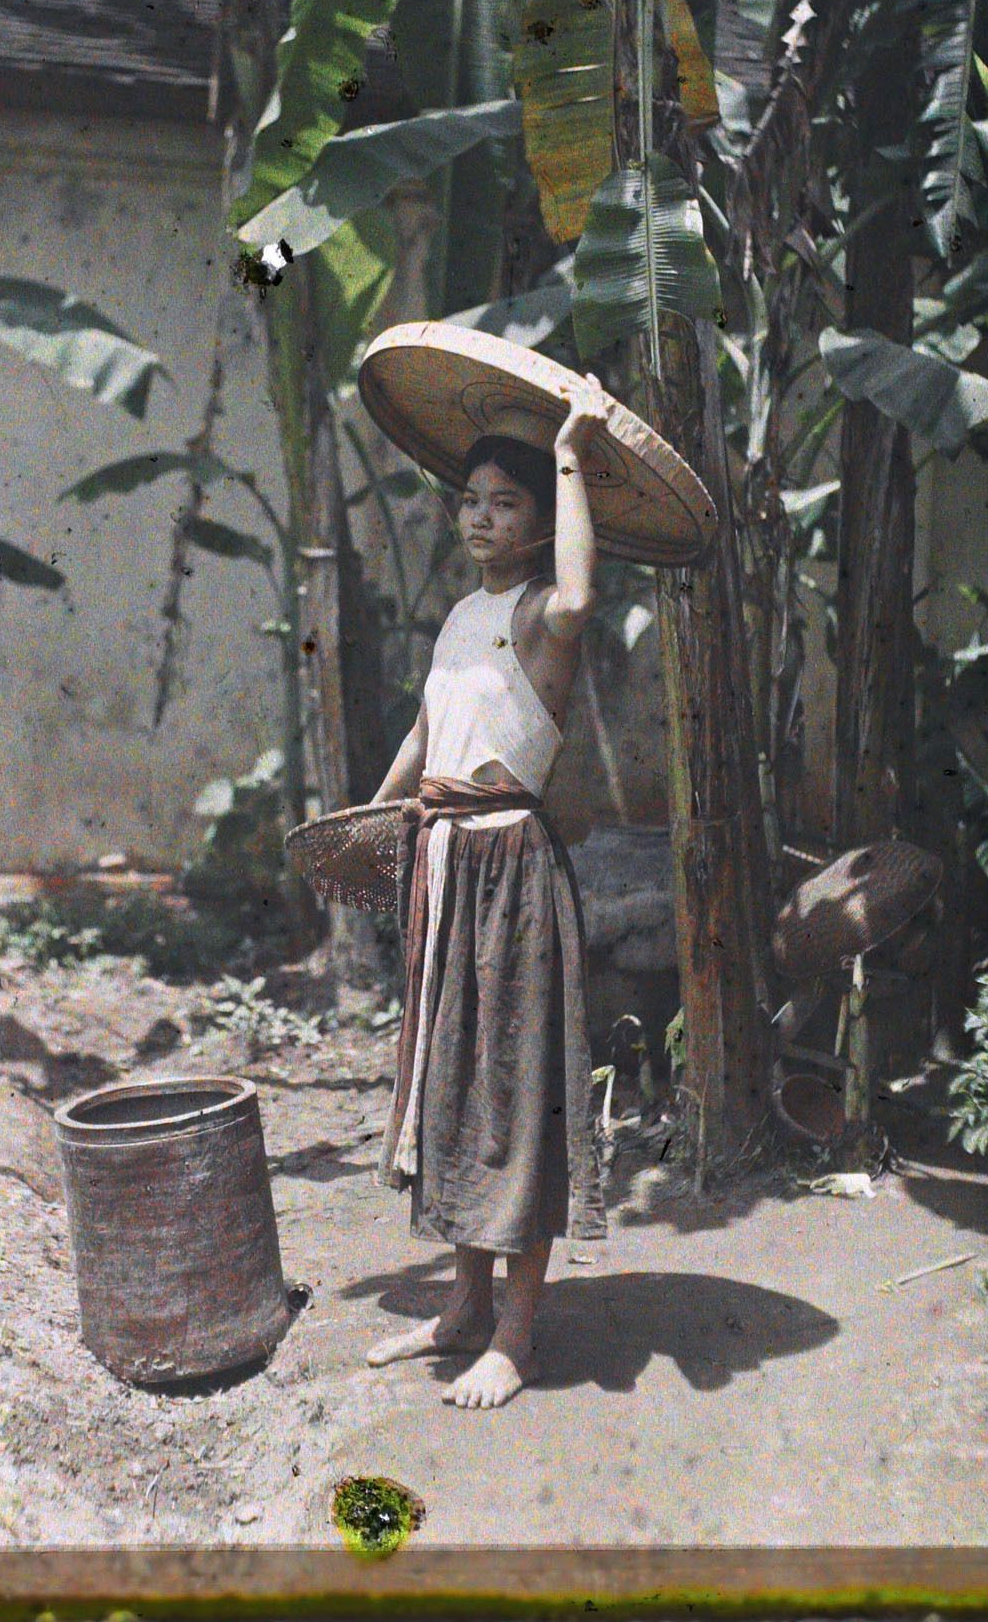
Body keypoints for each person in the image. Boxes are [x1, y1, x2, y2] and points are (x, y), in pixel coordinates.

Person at [364, 376, 611, 1410]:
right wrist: (372, 819)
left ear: (542, 520)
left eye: (507, 502)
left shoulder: (544, 615)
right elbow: (426, 735)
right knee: (454, 1084)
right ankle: (463, 1305)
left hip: (511, 867)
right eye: (471, 497)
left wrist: (570, 451)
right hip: (444, 860)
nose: (480, 515)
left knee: (514, 1090)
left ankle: (515, 1333)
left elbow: (584, 594)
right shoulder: (463, 613)